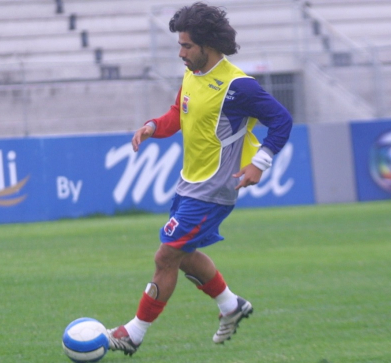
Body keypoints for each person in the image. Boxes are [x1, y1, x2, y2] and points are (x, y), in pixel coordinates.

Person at [107, 2, 293, 356]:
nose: (180, 52)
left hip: (213, 190)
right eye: (179, 45)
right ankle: (231, 306)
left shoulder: (239, 86)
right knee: (186, 255)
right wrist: (152, 127)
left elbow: (282, 120)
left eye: (186, 45)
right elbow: (178, 113)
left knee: (166, 256)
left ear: (207, 45)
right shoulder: (192, 74)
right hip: (189, 185)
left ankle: (133, 333)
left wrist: (259, 164)